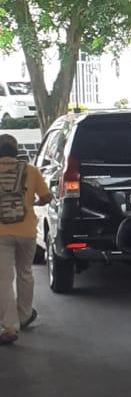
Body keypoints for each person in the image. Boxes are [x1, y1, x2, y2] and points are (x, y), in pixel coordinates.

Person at [0, 132, 50, 344]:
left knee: (3, 279)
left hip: (1, 233)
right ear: (16, 150)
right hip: (27, 230)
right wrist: (33, 203)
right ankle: (24, 315)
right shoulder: (30, 170)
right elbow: (47, 197)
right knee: (25, 273)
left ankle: (10, 327)